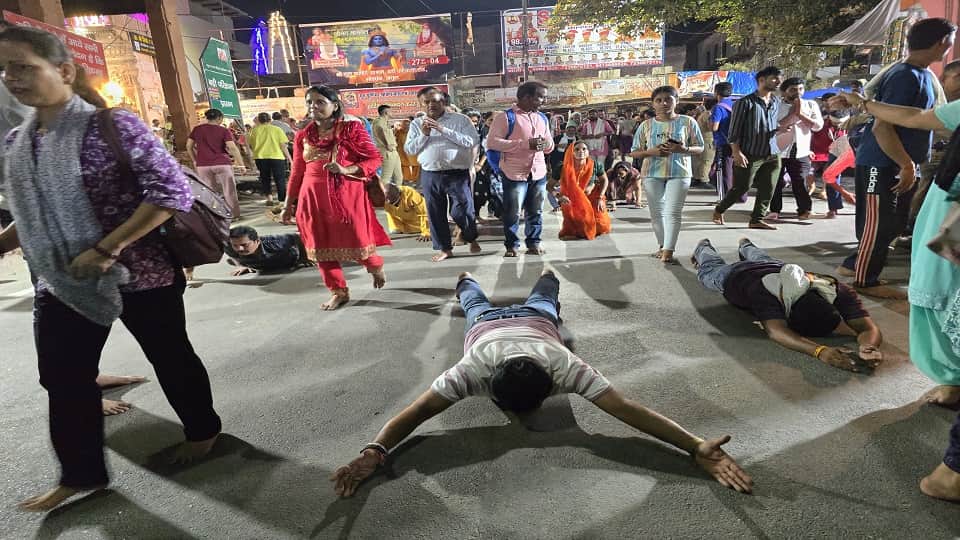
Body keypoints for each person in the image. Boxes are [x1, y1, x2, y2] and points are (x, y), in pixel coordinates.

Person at [0, 26, 221, 512]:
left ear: (63, 70)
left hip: (141, 275)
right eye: (5, 69)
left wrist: (108, 247)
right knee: (62, 377)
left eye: (22, 66)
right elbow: (30, 212)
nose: (10, 78)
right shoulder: (19, 141)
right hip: (63, 281)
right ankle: (80, 474)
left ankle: (203, 431)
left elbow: (170, 194)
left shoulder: (114, 126)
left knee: (171, 357)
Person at [330, 270, 754, 498]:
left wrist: (696, 446)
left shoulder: (559, 364)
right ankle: (487, 279)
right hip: (509, 327)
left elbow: (418, 412)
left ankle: (488, 278)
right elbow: (626, 409)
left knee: (520, 301)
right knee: (502, 302)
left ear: (552, 386)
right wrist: (374, 450)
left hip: (523, 326)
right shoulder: (481, 368)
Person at [832, 75, 960, 435]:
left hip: (954, 212)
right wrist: (864, 104)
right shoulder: (929, 93)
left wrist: (863, 104)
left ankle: (952, 377)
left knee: (939, 289)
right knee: (937, 287)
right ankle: (951, 378)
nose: (950, 83)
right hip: (949, 208)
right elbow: (913, 116)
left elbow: (914, 117)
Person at [835, 18, 955, 299]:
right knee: (877, 224)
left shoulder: (924, 75)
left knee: (895, 223)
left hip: (902, 164)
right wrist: (905, 164)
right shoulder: (904, 75)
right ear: (942, 42)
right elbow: (882, 125)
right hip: (883, 162)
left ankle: (855, 267)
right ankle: (864, 279)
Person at [691, 238, 883, 373]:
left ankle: (746, 245)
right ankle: (703, 247)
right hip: (733, 276)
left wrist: (869, 346)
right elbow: (776, 331)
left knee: (762, 258)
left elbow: (867, 328)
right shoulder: (767, 295)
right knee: (710, 268)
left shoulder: (833, 288)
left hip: (776, 268)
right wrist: (819, 351)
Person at [281, 86, 391, 310]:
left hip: (347, 195)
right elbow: (296, 172)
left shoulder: (352, 129)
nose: (314, 106)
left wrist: (346, 170)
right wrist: (287, 205)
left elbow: (374, 159)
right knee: (320, 246)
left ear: (335, 105)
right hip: (311, 197)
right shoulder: (303, 135)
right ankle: (338, 291)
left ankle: (375, 265)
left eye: (320, 102)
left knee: (357, 239)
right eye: (310, 102)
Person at [403, 86, 481, 262]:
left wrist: (442, 129)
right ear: (421, 104)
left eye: (436, 100)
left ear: (444, 101)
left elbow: (471, 141)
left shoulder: (460, 120)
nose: (432, 104)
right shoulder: (417, 124)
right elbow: (410, 149)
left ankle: (471, 237)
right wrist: (424, 134)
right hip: (431, 173)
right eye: (427, 102)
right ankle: (445, 248)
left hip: (457, 173)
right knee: (435, 212)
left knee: (462, 209)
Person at [629, 85, 704, 265]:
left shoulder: (688, 122)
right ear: (653, 104)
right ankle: (663, 245)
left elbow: (700, 147)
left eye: (668, 99)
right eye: (659, 100)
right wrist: (652, 152)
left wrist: (682, 149)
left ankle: (669, 250)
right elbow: (634, 152)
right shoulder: (646, 125)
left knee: (672, 212)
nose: (664, 103)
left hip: (679, 173)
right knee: (656, 213)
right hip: (652, 173)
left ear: (676, 101)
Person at [486, 81, 555, 257]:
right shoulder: (505, 117)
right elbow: (492, 143)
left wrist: (546, 145)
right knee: (513, 211)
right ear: (526, 97)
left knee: (536, 210)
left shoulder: (542, 118)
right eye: (540, 97)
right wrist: (524, 144)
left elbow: (549, 145)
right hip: (514, 173)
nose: (543, 101)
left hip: (538, 172)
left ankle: (533, 242)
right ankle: (512, 245)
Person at [713, 67, 787, 229]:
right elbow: (734, 130)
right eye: (774, 78)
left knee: (769, 187)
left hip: (773, 152)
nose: (778, 81)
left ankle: (756, 219)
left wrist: (779, 128)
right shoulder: (745, 102)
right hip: (750, 152)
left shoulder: (775, 102)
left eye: (779, 78)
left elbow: (769, 123)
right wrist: (736, 151)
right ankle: (720, 209)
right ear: (761, 80)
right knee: (742, 187)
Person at [768, 78, 824, 220]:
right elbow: (772, 127)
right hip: (778, 151)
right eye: (793, 89)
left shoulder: (811, 105)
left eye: (800, 89)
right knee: (776, 182)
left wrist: (801, 114)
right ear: (784, 91)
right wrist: (793, 114)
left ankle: (804, 210)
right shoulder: (775, 106)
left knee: (800, 180)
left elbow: (818, 126)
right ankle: (774, 210)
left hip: (801, 151)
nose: (798, 93)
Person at [187, 108, 245, 219]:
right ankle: (234, 215)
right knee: (229, 191)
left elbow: (189, 146)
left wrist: (194, 159)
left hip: (203, 165)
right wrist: (241, 164)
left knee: (210, 192)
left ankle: (216, 216)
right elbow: (232, 147)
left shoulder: (197, 129)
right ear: (219, 118)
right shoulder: (223, 130)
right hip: (222, 163)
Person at [556, 141, 611, 240]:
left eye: (584, 149)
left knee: (601, 225)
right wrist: (559, 196)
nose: (581, 151)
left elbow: (604, 180)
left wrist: (601, 197)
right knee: (576, 230)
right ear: (571, 152)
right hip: (572, 201)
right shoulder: (562, 167)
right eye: (577, 149)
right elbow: (549, 186)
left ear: (588, 152)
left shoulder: (595, 165)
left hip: (592, 198)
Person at [224, 225, 310, 276]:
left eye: (244, 245)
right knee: (230, 260)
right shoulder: (229, 247)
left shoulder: (274, 243)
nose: (240, 249)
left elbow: (296, 236)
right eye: (235, 245)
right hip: (260, 264)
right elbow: (230, 253)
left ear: (257, 242)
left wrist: (303, 258)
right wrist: (241, 265)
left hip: (287, 260)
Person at [248, 112, 293, 206]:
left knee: (265, 178)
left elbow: (251, 145)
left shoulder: (254, 130)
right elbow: (283, 146)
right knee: (280, 179)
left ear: (259, 120)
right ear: (270, 120)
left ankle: (269, 198)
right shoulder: (277, 129)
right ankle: (282, 200)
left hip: (260, 157)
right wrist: (290, 159)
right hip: (277, 157)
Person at [372, 105, 403, 185]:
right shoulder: (379, 121)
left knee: (399, 177)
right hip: (386, 151)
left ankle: (398, 195)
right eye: (390, 111)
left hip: (393, 151)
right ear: (386, 112)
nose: (392, 113)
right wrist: (386, 144)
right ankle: (382, 196)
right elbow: (379, 130)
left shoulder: (386, 122)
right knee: (386, 177)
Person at [690, 97, 716, 189]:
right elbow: (711, 127)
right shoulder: (709, 114)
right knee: (707, 161)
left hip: (701, 140)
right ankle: (704, 180)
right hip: (708, 140)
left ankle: (697, 178)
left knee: (699, 161)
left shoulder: (703, 114)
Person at [395, 117, 420, 183]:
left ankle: (415, 179)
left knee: (416, 165)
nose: (406, 126)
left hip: (412, 151)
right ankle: (406, 178)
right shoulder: (398, 132)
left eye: (408, 125)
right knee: (405, 165)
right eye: (404, 125)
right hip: (402, 152)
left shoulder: (414, 131)